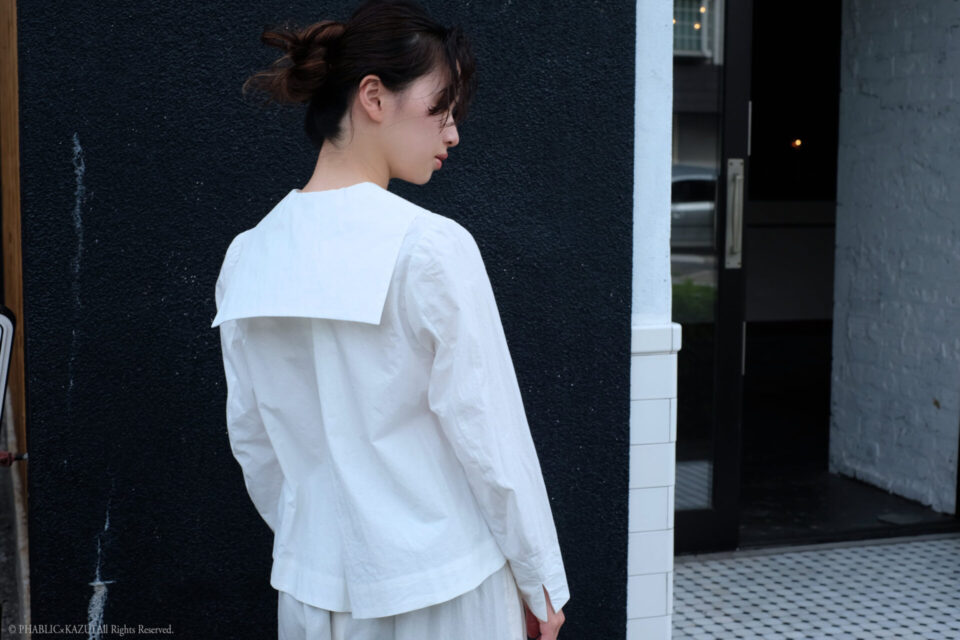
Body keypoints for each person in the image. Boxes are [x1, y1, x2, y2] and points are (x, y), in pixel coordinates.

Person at [211, 1, 570, 638]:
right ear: (373, 97)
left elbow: (254, 440)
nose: (452, 134)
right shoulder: (430, 246)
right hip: (448, 586)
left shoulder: (248, 255)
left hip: (312, 593)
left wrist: (313, 543)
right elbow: (491, 438)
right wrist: (540, 581)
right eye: (442, 107)